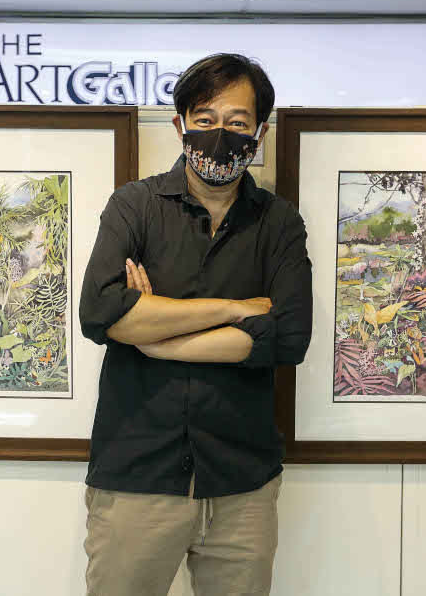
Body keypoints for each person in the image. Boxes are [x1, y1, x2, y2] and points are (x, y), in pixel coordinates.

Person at [78, 53, 313, 596]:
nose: (219, 135)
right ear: (180, 124)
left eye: (236, 123)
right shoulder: (134, 206)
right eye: (205, 120)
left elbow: (289, 335)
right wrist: (236, 310)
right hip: (137, 475)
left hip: (242, 484)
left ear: (259, 132)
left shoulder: (279, 222)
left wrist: (158, 336)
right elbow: (100, 312)